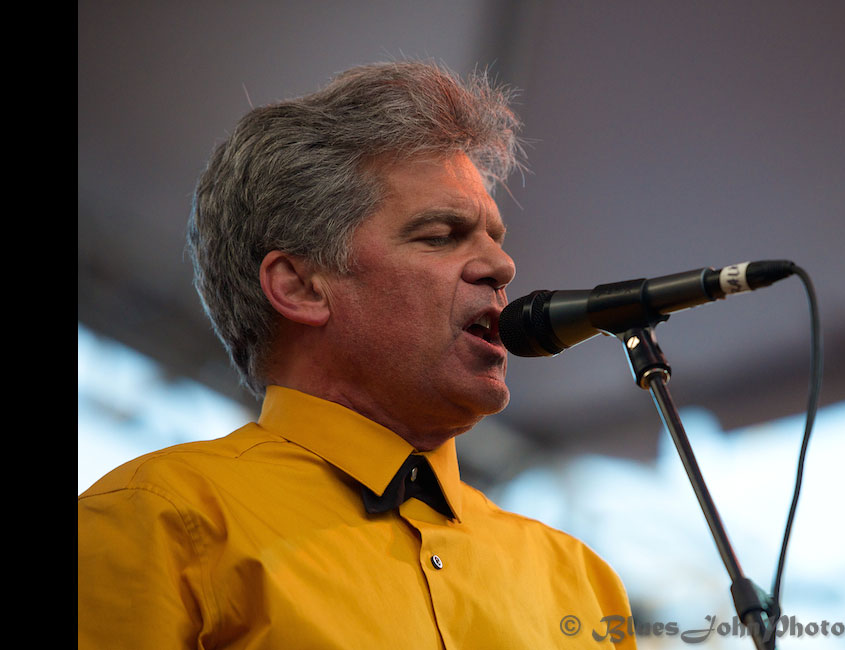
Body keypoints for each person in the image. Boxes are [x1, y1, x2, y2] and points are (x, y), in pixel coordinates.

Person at [78, 60, 635, 649]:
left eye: (495, 237)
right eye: (440, 235)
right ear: (299, 286)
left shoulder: (581, 580)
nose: (502, 267)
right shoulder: (157, 521)